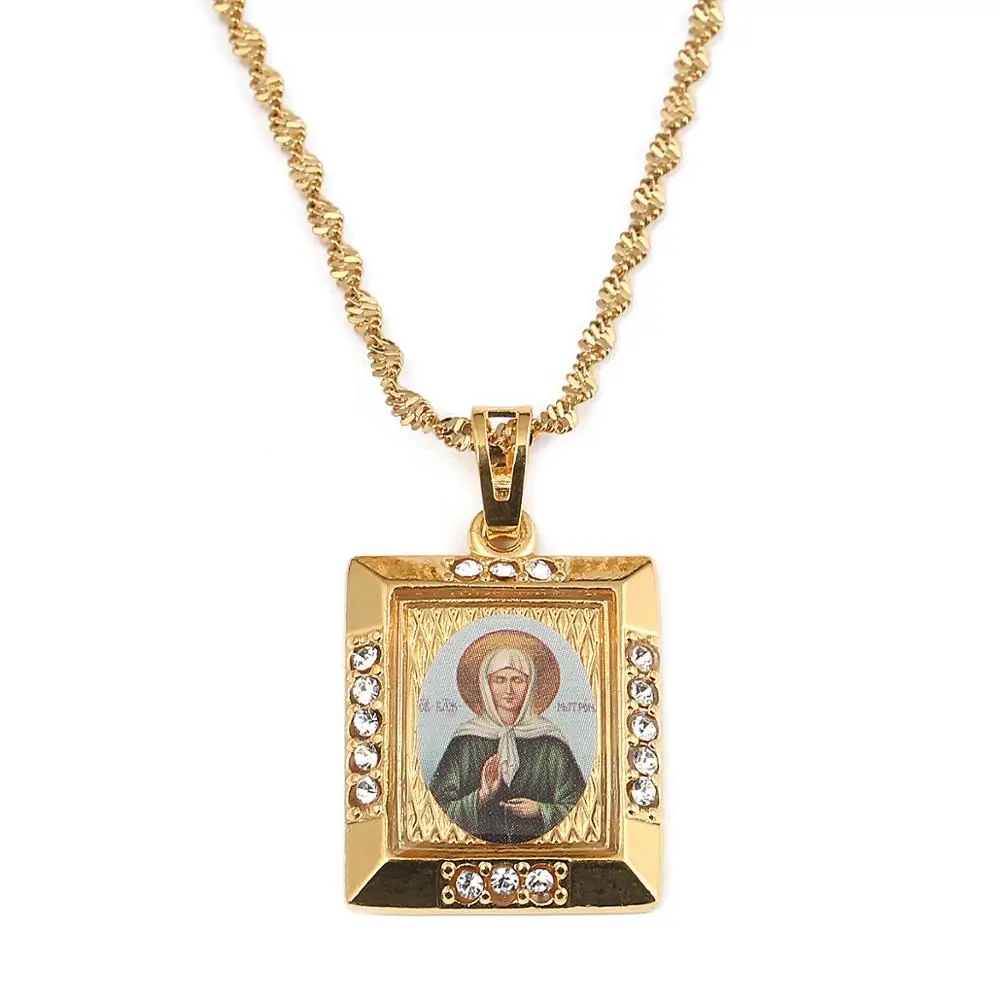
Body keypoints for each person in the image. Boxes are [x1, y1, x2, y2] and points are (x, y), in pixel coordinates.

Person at [429, 642, 586, 843]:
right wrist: (482, 796)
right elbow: (436, 813)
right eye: (500, 680)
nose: (509, 689)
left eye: (517, 680)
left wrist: (541, 810)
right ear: (486, 685)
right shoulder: (464, 742)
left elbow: (580, 810)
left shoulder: (552, 743)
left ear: (530, 685)